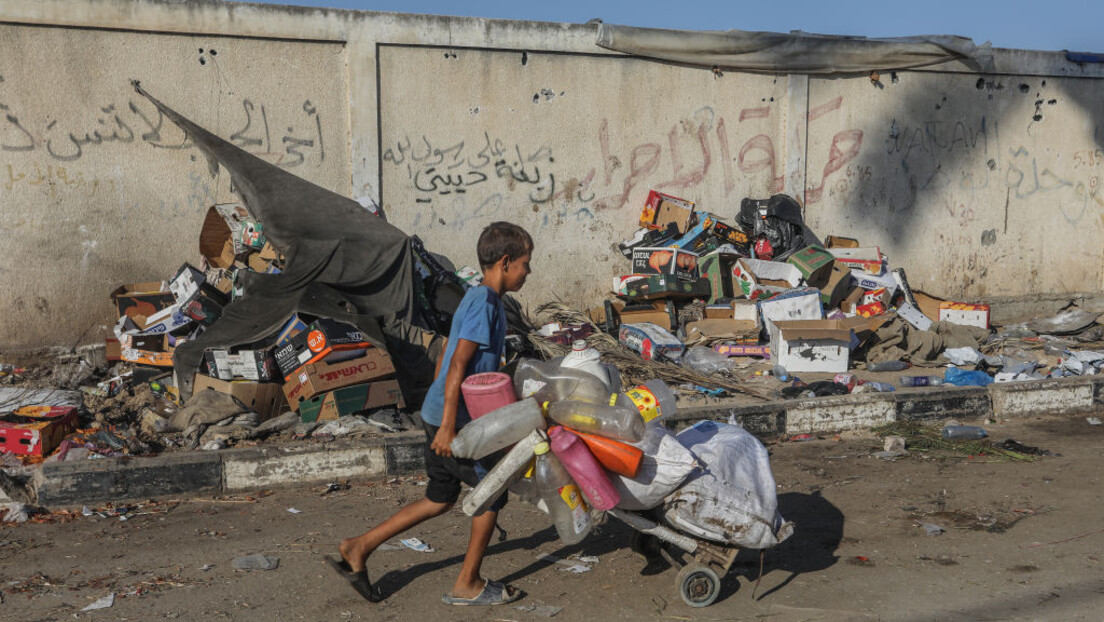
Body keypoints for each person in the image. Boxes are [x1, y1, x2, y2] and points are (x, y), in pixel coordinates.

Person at [328, 221, 533, 606]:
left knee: (440, 498)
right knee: (493, 492)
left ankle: (358, 547)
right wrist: (447, 427)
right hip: (452, 421)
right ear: (505, 262)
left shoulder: (477, 299)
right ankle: (467, 584)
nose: (528, 271)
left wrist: (439, 406)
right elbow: (457, 364)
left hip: (441, 412)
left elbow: (447, 360)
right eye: (525, 262)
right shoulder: (485, 303)